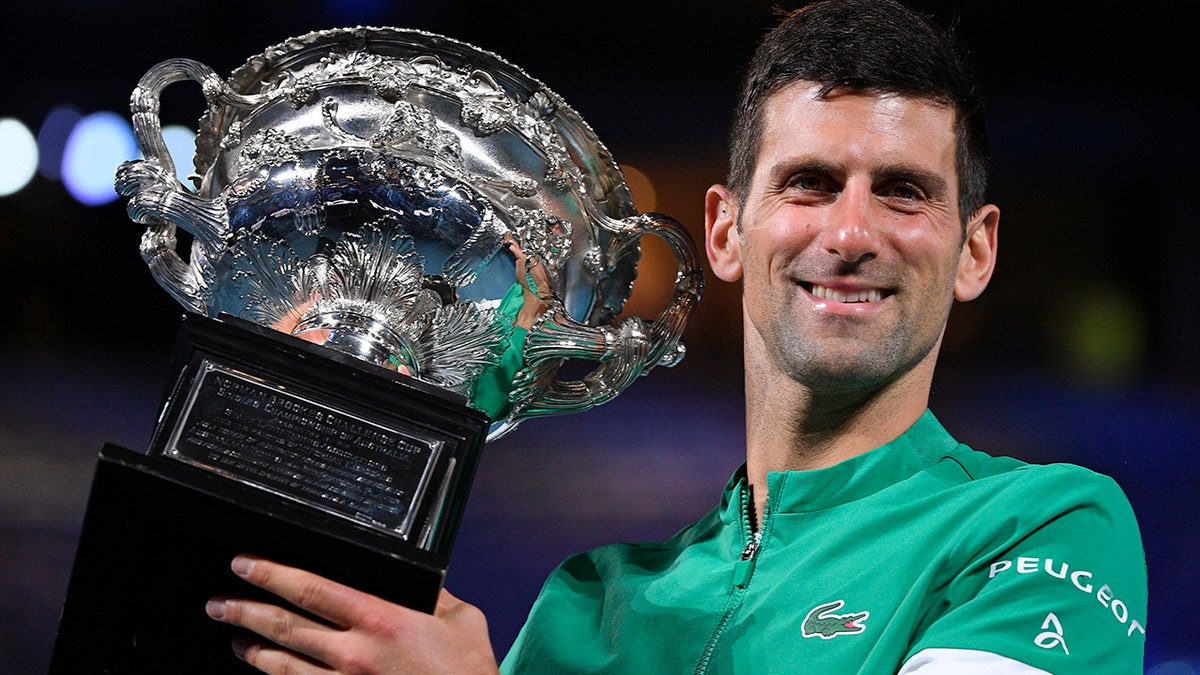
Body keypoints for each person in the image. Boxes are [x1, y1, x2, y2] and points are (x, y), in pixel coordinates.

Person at [204, 0, 1149, 672]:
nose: (851, 234)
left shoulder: (1043, 529)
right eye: (809, 182)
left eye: (903, 190)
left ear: (976, 250)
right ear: (727, 231)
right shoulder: (588, 609)